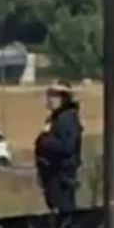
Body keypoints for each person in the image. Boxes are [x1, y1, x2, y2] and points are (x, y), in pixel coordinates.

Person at [35, 81, 83, 212]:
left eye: (56, 96)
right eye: (50, 95)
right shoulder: (55, 118)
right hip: (51, 175)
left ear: (65, 98)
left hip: (62, 176)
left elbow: (67, 147)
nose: (51, 99)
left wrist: (44, 142)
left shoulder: (67, 119)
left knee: (64, 213)